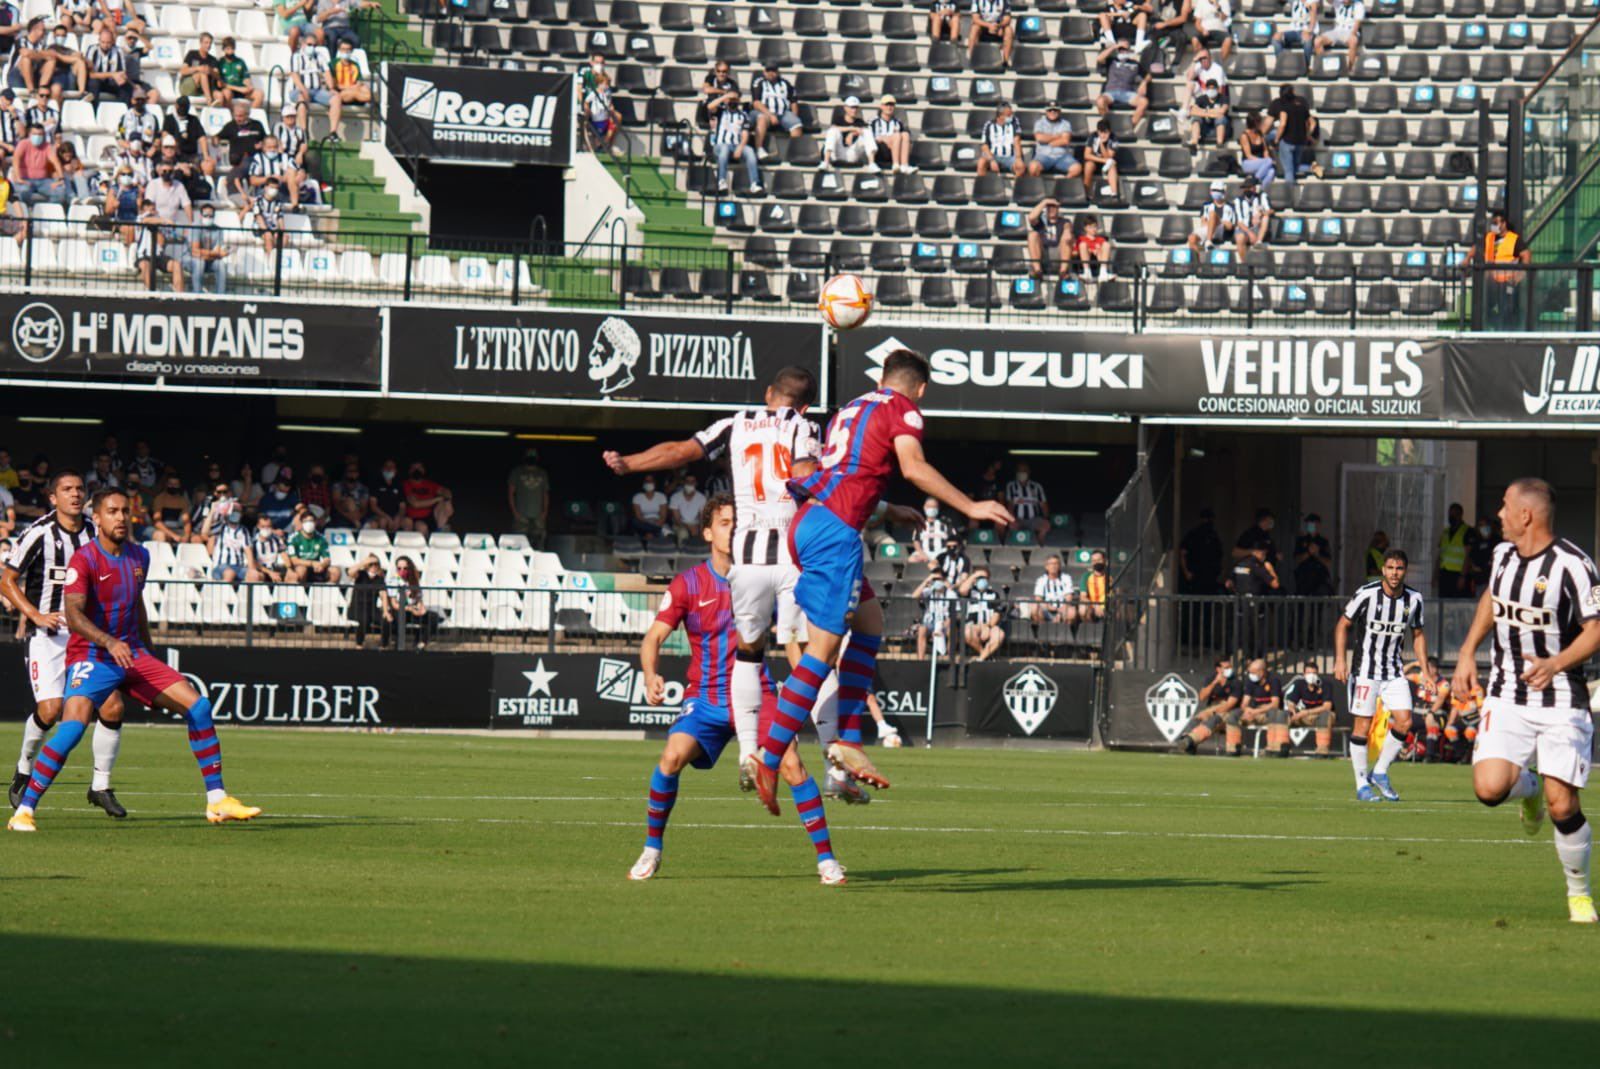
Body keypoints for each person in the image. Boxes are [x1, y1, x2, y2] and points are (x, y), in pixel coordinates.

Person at [752, 349, 1014, 811]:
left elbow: (843, 474)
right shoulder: (904, 409)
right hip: (834, 533)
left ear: (881, 378)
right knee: (821, 653)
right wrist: (970, 506)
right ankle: (769, 757)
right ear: (921, 389)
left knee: (870, 624)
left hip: (810, 521)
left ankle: (848, 743)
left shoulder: (852, 408)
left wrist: (888, 509)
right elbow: (912, 467)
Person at [603, 367, 822, 787]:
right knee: (807, 650)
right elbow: (807, 477)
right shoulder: (804, 427)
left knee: (753, 653)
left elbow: (680, 451)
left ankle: (750, 752)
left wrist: (630, 463)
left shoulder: (734, 423)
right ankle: (832, 744)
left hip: (750, 560)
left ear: (768, 393)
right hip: (791, 556)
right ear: (806, 406)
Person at [7, 488, 261, 832]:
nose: (121, 517)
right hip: (93, 655)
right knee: (72, 728)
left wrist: (148, 651)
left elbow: (136, 603)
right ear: (97, 518)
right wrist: (109, 642)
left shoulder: (140, 555)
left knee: (199, 707)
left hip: (133, 654)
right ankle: (24, 811)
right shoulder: (83, 559)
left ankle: (217, 800)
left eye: (125, 511)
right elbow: (74, 615)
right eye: (112, 511)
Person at [628, 494, 845, 886]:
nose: (733, 530)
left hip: (759, 693)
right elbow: (653, 638)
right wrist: (649, 675)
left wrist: (809, 680)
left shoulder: (767, 577)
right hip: (706, 697)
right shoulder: (687, 583)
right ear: (707, 532)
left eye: (739, 523)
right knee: (670, 758)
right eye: (725, 523)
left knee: (792, 764)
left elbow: (793, 636)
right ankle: (651, 849)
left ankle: (827, 860)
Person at [1453, 478, 1600, 924]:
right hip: (1507, 693)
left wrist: (1556, 663)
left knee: (1563, 806)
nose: (1498, 514)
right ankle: (1528, 788)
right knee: (1488, 789)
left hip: (1562, 698)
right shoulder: (1502, 555)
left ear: (1526, 515)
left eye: (1504, 506)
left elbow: (1596, 630)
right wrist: (1467, 652)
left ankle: (1579, 894)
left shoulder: (1574, 565)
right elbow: (1492, 599)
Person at [1, 469, 127, 815]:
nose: (75, 494)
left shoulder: (94, 532)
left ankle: (100, 785)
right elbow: (7, 580)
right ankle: (24, 768)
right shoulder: (39, 533)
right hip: (47, 637)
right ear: (53, 498)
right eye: (67, 489)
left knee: (113, 706)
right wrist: (35, 614)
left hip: (86, 636)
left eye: (79, 489)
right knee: (51, 710)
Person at [1334, 547, 1430, 803]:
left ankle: (1379, 771)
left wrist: (1426, 670)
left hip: (1394, 672)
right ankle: (1361, 785)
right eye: (1390, 568)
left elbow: (1418, 635)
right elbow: (1343, 625)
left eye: (1399, 568)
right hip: (1365, 672)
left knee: (1405, 722)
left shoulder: (1414, 599)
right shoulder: (1366, 594)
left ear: (1405, 571)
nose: (1394, 573)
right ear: (1383, 570)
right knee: (1362, 727)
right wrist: (1340, 660)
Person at [1465, 209, 1529, 330]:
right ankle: (1496, 327)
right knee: (1486, 308)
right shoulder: (1489, 237)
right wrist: (1467, 259)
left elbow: (1526, 254)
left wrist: (1521, 274)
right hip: (1491, 282)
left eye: (1497, 222)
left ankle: (1506, 330)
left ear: (1504, 223)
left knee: (1507, 309)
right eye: (1493, 223)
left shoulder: (1513, 239)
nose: (1495, 225)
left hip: (1507, 281)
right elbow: (1476, 247)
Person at [1173, 657, 1241, 753]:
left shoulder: (1235, 682)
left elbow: (1229, 705)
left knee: (1214, 719)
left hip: (1227, 712)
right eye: (1226, 667)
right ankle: (1185, 744)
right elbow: (1202, 697)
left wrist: (1211, 712)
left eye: (1230, 667)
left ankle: (1190, 741)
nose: (1230, 670)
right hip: (1212, 708)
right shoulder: (1211, 678)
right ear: (1218, 669)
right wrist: (1215, 682)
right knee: (1198, 718)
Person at [1267, 83, 1319, 192]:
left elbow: (1282, 125)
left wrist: (1276, 140)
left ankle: (1289, 194)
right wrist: (1307, 135)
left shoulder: (1284, 108)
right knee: (1295, 167)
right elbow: (1313, 122)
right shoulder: (1302, 106)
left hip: (1287, 141)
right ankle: (1311, 168)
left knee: (1289, 171)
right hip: (1300, 142)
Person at [709, 90, 760, 195]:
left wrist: (740, 147)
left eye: (735, 99)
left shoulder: (743, 115)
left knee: (750, 151)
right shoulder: (721, 112)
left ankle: (754, 183)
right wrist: (725, 96)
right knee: (724, 149)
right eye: (731, 99)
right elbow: (710, 106)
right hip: (720, 145)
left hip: (736, 145)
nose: (733, 101)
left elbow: (745, 134)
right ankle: (722, 180)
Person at [1229, 657, 1282, 758]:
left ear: (1262, 672)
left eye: (1253, 672)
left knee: (1274, 713)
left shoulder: (1274, 680)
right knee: (1234, 715)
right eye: (1250, 672)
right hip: (1253, 712)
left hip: (1266, 713)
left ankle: (1271, 749)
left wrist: (1256, 712)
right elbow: (1244, 703)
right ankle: (1233, 748)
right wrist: (1247, 710)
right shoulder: (1250, 681)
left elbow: (1275, 704)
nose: (1250, 675)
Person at [1283, 658, 1335, 757]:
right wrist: (1292, 708)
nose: (1311, 676)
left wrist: (1305, 713)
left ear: (1317, 674)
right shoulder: (1299, 684)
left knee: (1325, 716)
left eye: (1314, 673)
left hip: (1320, 715)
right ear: (1304, 674)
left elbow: (1327, 707)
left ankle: (1322, 751)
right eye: (1308, 673)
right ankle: (1281, 747)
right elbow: (1291, 701)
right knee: (1284, 715)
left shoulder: (1326, 685)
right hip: (1304, 716)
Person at [382, 554, 436, 648]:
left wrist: (421, 609)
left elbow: (418, 600)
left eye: (405, 568)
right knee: (399, 618)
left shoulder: (414, 581)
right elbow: (394, 604)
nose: (402, 571)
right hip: (399, 610)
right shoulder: (393, 581)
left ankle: (421, 643)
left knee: (433, 617)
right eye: (399, 568)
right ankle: (398, 647)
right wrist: (409, 608)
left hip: (412, 611)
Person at [1095, 39, 1149, 128]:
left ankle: (1129, 128)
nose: (1123, 51)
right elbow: (1099, 58)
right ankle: (1108, 127)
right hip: (1111, 92)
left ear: (1129, 49)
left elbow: (1148, 75)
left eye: (1125, 49)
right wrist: (1114, 47)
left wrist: (1144, 83)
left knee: (1144, 102)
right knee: (1100, 101)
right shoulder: (1111, 61)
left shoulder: (1135, 64)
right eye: (1121, 49)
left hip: (1128, 93)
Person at [751, 63, 801, 155]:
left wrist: (794, 116)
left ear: (778, 72)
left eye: (773, 71)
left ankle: (794, 152)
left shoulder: (786, 83)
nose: (771, 73)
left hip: (783, 113)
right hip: (764, 112)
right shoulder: (759, 82)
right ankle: (759, 149)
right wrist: (771, 115)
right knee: (762, 118)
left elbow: (793, 102)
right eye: (768, 71)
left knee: (796, 123)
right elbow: (756, 103)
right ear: (764, 72)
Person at [821, 96, 876, 172]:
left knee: (867, 132)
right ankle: (826, 162)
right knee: (832, 131)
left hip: (852, 153)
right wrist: (852, 128)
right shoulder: (838, 120)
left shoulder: (859, 122)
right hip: (837, 153)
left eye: (856, 107)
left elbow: (863, 130)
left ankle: (872, 164)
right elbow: (833, 128)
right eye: (852, 107)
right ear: (845, 108)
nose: (854, 110)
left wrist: (852, 134)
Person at [1029, 101, 1081, 178]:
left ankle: (1063, 184)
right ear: (1046, 111)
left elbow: (1065, 140)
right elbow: (1039, 138)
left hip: (1062, 156)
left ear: (1059, 111)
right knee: (1033, 167)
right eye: (1050, 110)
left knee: (1077, 168)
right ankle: (1036, 186)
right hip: (1043, 155)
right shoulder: (1039, 123)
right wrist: (1058, 136)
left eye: (1055, 110)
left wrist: (1048, 140)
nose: (1052, 112)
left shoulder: (1065, 123)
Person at [962, 570, 1005, 661]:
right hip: (973, 625)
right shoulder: (970, 592)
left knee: (999, 635)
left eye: (984, 578)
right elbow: (962, 590)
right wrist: (974, 576)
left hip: (989, 625)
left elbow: (997, 613)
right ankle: (985, 655)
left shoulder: (994, 594)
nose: (981, 580)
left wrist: (988, 626)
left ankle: (981, 658)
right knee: (967, 632)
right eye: (979, 578)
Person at [1188, 179, 1237, 257]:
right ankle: (1197, 263)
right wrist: (1217, 222)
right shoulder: (1206, 205)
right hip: (1208, 229)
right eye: (1214, 190)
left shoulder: (1231, 206)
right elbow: (1203, 223)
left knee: (1212, 214)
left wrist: (1217, 221)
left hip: (1222, 231)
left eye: (1218, 190)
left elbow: (1230, 226)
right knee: (1192, 238)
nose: (1216, 192)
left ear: (1224, 192)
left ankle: (1208, 241)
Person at [1025, 197, 1072, 280]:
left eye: (1054, 206)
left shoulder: (1065, 221)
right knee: (1032, 235)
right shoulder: (1040, 221)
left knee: (1067, 238)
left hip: (1059, 254)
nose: (1051, 209)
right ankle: (1037, 270)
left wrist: (1067, 231)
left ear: (1058, 208)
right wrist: (1044, 202)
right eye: (1049, 206)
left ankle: (1063, 271)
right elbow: (1031, 217)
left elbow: (1067, 228)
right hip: (1042, 254)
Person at [869, 95, 915, 175]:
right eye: (886, 105)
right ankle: (895, 164)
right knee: (896, 135)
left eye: (891, 105)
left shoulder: (898, 123)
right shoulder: (873, 121)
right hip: (879, 152)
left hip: (894, 150)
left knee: (905, 135)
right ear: (881, 106)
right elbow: (868, 138)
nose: (889, 107)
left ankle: (904, 165)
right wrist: (883, 138)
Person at [1437, 501, 1475, 598]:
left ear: (1460, 515)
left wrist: (1463, 576)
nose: (1451, 517)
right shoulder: (1445, 532)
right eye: (1450, 514)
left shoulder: (1467, 531)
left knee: (1458, 602)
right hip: (1444, 574)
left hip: (1458, 574)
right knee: (1443, 601)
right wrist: (1435, 574)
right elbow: (1440, 555)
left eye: (1454, 514)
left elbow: (1468, 556)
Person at [976, 100, 1024, 177]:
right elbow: (984, 146)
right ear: (1001, 115)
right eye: (1009, 115)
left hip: (1010, 156)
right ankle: (981, 183)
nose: (1011, 116)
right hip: (993, 155)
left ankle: (1017, 184)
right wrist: (991, 160)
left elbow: (1017, 140)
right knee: (981, 162)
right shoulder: (989, 125)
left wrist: (1018, 158)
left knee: (1020, 166)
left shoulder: (1014, 122)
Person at [206, 506, 252, 584]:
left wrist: (252, 570)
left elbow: (248, 551)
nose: (235, 513)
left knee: (255, 575)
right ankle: (223, 591)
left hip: (239, 567)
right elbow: (204, 532)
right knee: (229, 573)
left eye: (237, 511)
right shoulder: (220, 527)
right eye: (233, 510)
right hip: (221, 566)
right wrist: (212, 512)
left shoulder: (244, 530)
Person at [216, 36, 264, 110]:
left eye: (232, 49)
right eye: (228, 49)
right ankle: (231, 115)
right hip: (229, 90)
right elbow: (220, 84)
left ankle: (249, 115)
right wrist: (239, 89)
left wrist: (249, 85)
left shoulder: (240, 61)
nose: (230, 51)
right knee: (227, 94)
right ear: (223, 49)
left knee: (259, 94)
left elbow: (246, 77)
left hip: (242, 90)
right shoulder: (220, 63)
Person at [1004, 463, 1049, 541]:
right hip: (1017, 519)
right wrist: (1012, 520)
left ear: (1029, 472)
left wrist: (1046, 519)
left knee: (1045, 526)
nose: (1021, 473)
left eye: (1024, 470)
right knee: (1012, 526)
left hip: (1034, 519)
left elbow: (1044, 505)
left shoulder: (1037, 486)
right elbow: (1010, 505)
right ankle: (1017, 544)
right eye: (1019, 470)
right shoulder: (1011, 486)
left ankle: (1038, 545)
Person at [347, 553, 385, 646]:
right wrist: (364, 562)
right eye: (371, 564)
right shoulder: (361, 575)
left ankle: (384, 644)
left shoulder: (379, 579)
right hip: (357, 608)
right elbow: (350, 572)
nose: (374, 566)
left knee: (386, 620)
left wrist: (386, 611)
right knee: (364, 619)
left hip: (371, 608)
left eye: (376, 564)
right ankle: (359, 644)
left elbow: (383, 595)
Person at [1292, 512, 1333, 596]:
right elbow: (1297, 559)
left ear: (1318, 525)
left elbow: (1328, 562)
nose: (1310, 526)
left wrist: (1317, 554)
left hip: (1320, 578)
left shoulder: (1323, 542)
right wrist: (1308, 552)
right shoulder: (1301, 540)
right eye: (1308, 524)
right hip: (1304, 578)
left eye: (1312, 523)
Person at [1313, 0, 1363, 67]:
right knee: (1317, 41)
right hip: (1337, 30)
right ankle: (1325, 66)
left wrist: (1353, 34)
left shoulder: (1358, 5)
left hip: (1350, 30)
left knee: (1353, 41)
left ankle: (1350, 68)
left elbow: (1357, 24)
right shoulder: (1338, 2)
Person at [1030, 553, 1076, 625]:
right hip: (1046, 609)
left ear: (1059, 566)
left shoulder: (1066, 578)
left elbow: (1068, 598)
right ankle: (1043, 629)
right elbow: (1038, 599)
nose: (1053, 566)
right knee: (1034, 608)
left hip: (1063, 609)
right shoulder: (1041, 580)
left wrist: (1060, 612)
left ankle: (1066, 629)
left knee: (1071, 612)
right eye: (1051, 564)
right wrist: (1048, 607)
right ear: (1046, 567)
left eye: (1056, 563)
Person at [967, 0, 1015, 67]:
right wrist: (989, 26)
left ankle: (1005, 61)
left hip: (998, 26)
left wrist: (999, 26)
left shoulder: (1004, 1)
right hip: (983, 26)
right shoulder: (977, 1)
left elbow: (1007, 19)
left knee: (1009, 30)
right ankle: (972, 59)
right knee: (974, 28)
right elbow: (975, 19)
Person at [179, 30, 223, 103]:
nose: (208, 45)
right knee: (202, 74)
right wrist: (198, 68)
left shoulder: (213, 59)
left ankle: (216, 108)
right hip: (188, 87)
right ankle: (209, 100)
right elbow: (183, 71)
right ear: (201, 43)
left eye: (210, 43)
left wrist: (210, 70)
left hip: (204, 89)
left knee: (220, 96)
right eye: (206, 43)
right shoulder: (192, 54)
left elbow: (217, 75)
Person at [1081, 119, 1120, 200]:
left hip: (1107, 163)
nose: (1103, 135)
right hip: (1095, 161)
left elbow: (1108, 157)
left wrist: (1101, 144)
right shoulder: (1093, 136)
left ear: (1109, 132)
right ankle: (1086, 193)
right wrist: (1102, 160)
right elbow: (1086, 155)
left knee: (1112, 165)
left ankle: (1114, 195)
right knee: (1088, 165)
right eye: (1101, 132)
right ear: (1098, 132)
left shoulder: (1114, 138)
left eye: (1105, 132)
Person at [581, 72, 619, 154]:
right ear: (599, 84)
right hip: (597, 117)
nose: (607, 86)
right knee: (598, 135)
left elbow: (609, 103)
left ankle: (603, 146)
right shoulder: (594, 93)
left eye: (608, 84)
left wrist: (611, 108)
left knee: (613, 126)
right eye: (605, 84)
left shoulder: (607, 93)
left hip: (606, 117)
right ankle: (598, 148)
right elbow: (586, 101)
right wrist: (588, 110)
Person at [148, 472, 191, 543]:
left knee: (195, 539)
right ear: (166, 484)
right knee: (161, 536)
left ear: (179, 485)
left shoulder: (183, 501)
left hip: (178, 530)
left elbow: (186, 521)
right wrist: (173, 535)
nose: (173, 486)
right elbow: (157, 522)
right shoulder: (160, 498)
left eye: (175, 484)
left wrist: (187, 536)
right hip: (163, 530)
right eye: (170, 484)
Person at [1187, 78, 1228, 150]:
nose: (1211, 90)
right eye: (1209, 88)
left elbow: (1222, 111)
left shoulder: (1223, 98)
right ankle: (1194, 143)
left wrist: (1202, 111)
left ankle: (1219, 144)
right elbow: (1192, 111)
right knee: (1196, 118)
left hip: (1219, 127)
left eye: (1213, 88)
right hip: (1204, 127)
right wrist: (1211, 114)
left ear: (1217, 89)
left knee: (1221, 119)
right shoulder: (1201, 99)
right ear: (1206, 89)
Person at [1238, 109, 1276, 188]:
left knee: (1271, 171)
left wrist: (1265, 159)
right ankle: (1255, 179)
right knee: (1269, 161)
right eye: (1260, 122)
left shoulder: (1260, 134)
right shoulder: (1244, 136)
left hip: (1262, 163)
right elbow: (1248, 155)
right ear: (1255, 123)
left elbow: (1265, 150)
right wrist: (1264, 161)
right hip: (1248, 163)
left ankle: (1262, 190)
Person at [1072, 213, 1114, 282]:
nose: (1093, 229)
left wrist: (1099, 252)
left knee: (1106, 244)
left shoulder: (1101, 240)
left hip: (1098, 261)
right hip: (1084, 260)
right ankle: (1087, 272)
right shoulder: (1081, 239)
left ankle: (1103, 272)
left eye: (1095, 227)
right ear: (1085, 228)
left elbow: (1103, 256)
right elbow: (1074, 253)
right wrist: (1089, 251)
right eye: (1090, 227)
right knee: (1083, 245)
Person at [667, 475, 706, 545]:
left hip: (696, 525)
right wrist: (688, 527)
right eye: (687, 481)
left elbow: (702, 518)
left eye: (692, 482)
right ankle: (682, 550)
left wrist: (700, 530)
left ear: (696, 483)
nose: (690, 484)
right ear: (683, 482)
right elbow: (677, 520)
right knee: (683, 533)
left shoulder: (702, 498)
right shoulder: (675, 497)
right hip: (679, 525)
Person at [629, 475, 670, 541]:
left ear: (655, 483)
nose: (649, 483)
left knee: (663, 531)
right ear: (643, 483)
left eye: (651, 481)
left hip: (658, 522)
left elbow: (663, 516)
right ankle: (657, 530)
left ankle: (654, 531)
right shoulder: (637, 497)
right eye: (647, 481)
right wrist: (650, 523)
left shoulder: (661, 496)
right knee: (635, 522)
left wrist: (657, 523)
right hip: (643, 523)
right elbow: (638, 516)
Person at [247, 513, 286, 582]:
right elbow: (252, 561)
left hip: (276, 570)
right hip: (261, 571)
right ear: (258, 526)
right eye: (263, 526)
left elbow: (284, 555)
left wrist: (289, 569)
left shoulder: (277, 540)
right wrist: (270, 573)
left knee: (291, 575)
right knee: (256, 576)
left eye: (268, 526)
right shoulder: (252, 542)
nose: (266, 529)